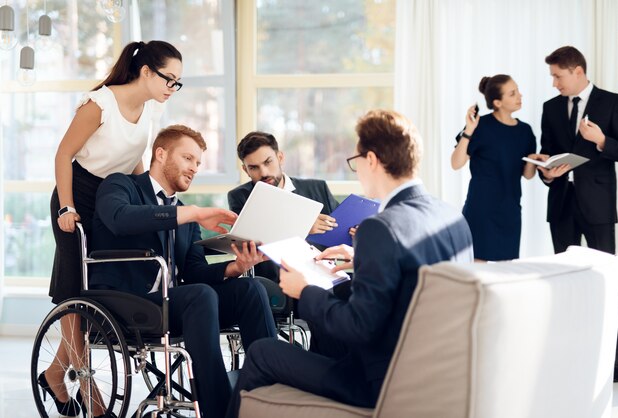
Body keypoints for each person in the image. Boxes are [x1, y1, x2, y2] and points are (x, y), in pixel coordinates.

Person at [225, 109, 474, 417]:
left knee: (262, 352)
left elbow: (358, 327)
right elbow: (415, 284)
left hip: (377, 382)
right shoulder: (452, 217)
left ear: (371, 160)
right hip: (435, 375)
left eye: (355, 161)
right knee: (338, 297)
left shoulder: (381, 227)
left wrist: (305, 290)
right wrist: (361, 259)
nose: (356, 170)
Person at [90, 124, 277, 417]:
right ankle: (218, 411)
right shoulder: (121, 186)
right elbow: (120, 219)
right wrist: (192, 214)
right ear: (161, 154)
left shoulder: (186, 213)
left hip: (171, 305)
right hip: (123, 303)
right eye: (188, 158)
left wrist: (236, 267)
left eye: (198, 163)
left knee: (251, 289)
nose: (194, 168)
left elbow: (195, 272)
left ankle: (270, 396)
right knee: (200, 297)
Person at [42, 40, 183, 418]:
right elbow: (63, 154)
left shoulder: (147, 110)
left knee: (96, 292)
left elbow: (134, 160)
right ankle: (93, 399)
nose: (173, 88)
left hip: (109, 202)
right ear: (147, 72)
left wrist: (146, 200)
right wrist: (68, 207)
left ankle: (56, 375)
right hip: (76, 198)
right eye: (170, 79)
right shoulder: (100, 104)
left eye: (177, 83)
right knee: (77, 291)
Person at [538, 46, 618, 381]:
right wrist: (547, 172)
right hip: (561, 206)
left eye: (557, 76)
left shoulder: (613, 102)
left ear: (577, 71)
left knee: (607, 280)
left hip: (598, 207)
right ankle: (572, 355)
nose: (554, 83)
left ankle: (617, 360)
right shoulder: (550, 108)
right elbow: (548, 154)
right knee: (566, 284)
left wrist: (603, 141)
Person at [227, 131, 340, 281]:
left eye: (268, 162)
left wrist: (356, 229)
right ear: (245, 170)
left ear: (280, 157)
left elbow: (340, 229)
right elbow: (251, 244)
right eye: (254, 167)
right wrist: (303, 226)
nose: (264, 172)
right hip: (274, 282)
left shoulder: (318, 188)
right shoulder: (240, 197)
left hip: (322, 277)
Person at [451, 75, 538, 262]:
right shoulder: (480, 126)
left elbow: (528, 175)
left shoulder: (526, 132)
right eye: (513, 93)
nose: (519, 96)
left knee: (506, 271)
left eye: (518, 90)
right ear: (497, 102)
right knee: (477, 268)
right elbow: (456, 163)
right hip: (480, 209)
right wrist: (468, 131)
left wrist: (532, 160)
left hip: (510, 210)